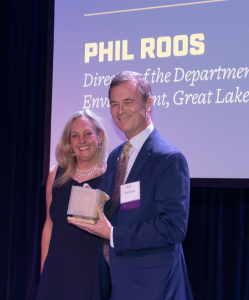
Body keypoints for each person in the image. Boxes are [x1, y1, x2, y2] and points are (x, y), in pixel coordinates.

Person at [69, 71, 193, 299]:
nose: (119, 110)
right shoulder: (116, 156)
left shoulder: (169, 158)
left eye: (128, 102)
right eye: (114, 104)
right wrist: (93, 204)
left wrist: (113, 233)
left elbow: (173, 227)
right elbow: (123, 210)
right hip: (119, 280)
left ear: (148, 103)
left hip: (154, 285)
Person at [37, 109, 109, 300]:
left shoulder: (111, 177)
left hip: (91, 271)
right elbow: (49, 225)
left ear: (100, 136)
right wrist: (44, 270)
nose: (81, 141)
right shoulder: (56, 175)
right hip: (56, 270)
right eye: (75, 136)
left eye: (87, 134)